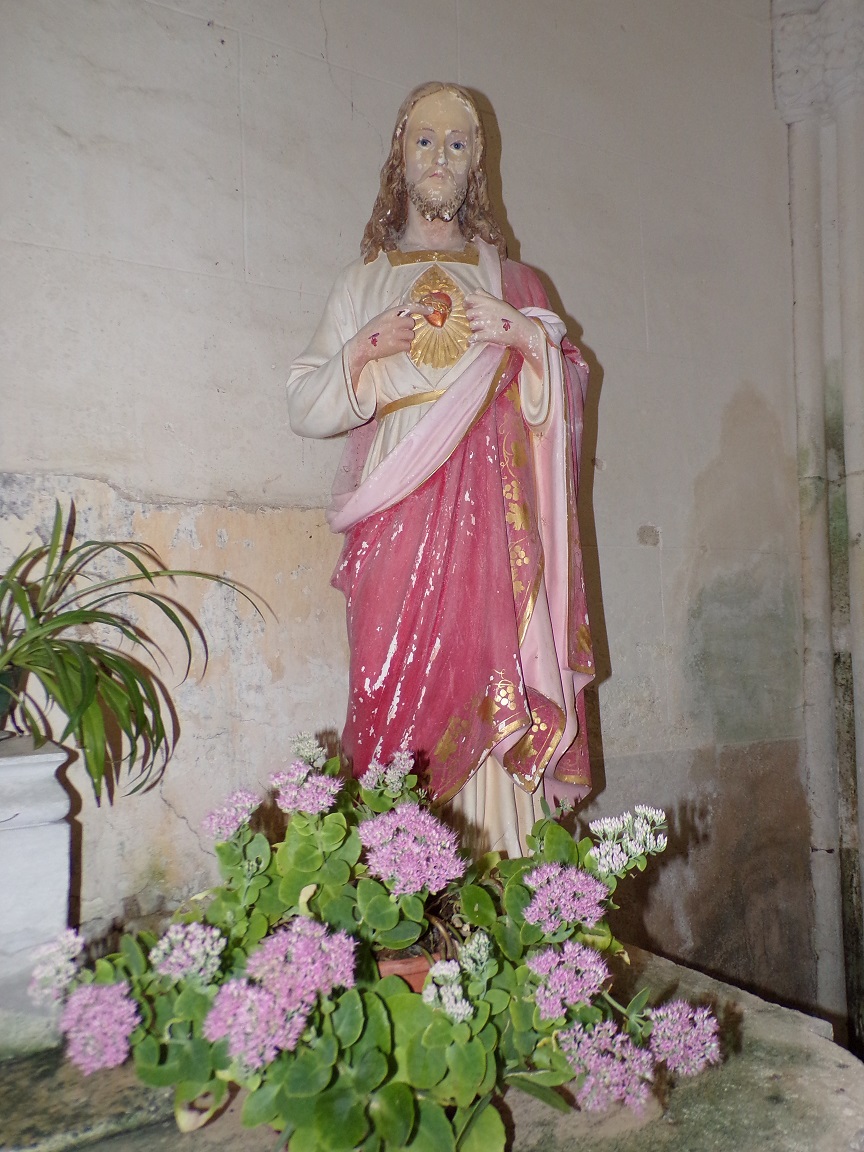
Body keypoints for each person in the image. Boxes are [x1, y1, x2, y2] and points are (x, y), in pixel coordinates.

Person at [287, 82, 594, 855]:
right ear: (400, 156)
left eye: (458, 144)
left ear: (475, 167)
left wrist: (526, 340)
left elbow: (564, 396)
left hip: (491, 524)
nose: (440, 157)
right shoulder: (361, 283)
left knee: (492, 671)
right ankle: (400, 880)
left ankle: (498, 868)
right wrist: (364, 349)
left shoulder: (514, 281)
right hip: (393, 515)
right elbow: (305, 403)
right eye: (425, 140)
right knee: (385, 679)